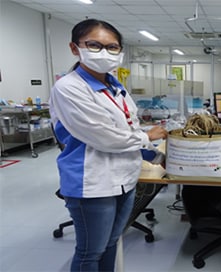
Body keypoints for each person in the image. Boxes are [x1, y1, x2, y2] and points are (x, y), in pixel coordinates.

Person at [49, 19, 167, 271]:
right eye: (94, 45)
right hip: (91, 183)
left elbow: (128, 131)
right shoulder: (69, 88)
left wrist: (156, 157)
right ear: (75, 48)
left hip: (125, 178)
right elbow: (103, 136)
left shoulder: (115, 87)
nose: (104, 52)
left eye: (112, 47)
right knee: (89, 252)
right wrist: (149, 137)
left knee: (112, 242)